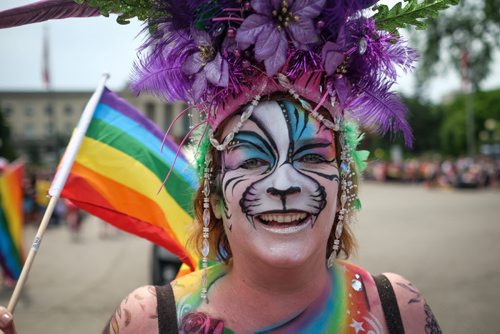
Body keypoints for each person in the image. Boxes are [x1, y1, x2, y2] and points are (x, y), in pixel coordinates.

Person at [0, 0, 454, 332]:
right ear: (213, 193)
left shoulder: (401, 310)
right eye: (252, 158)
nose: (283, 183)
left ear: (346, 185)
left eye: (313, 156)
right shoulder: (149, 321)